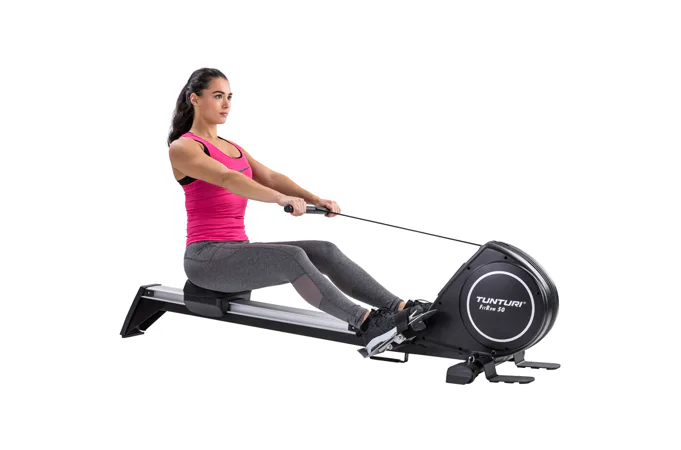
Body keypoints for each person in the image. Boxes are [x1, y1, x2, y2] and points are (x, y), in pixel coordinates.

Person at [167, 68, 431, 356]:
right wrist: (280, 199)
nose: (226, 104)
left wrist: (315, 198)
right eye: (218, 96)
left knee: (325, 250)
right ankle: (368, 325)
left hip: (235, 251)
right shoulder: (183, 147)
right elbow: (228, 178)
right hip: (206, 259)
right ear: (194, 98)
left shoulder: (232, 147)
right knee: (291, 257)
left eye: (229, 97)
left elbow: (270, 177)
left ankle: (401, 310)